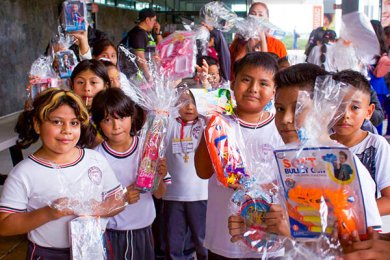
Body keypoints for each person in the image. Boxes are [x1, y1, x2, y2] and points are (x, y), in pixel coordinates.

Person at [0, 88, 123, 259]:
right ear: (37, 124)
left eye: (74, 123)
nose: (67, 130)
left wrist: (98, 209)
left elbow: (118, 200)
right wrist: (49, 212)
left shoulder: (95, 160)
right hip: (48, 253)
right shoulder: (23, 173)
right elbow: (5, 225)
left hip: (93, 246)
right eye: (57, 122)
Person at [195, 52, 287, 258]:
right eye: (246, 80)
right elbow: (202, 172)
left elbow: (288, 179)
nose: (253, 88)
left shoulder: (280, 126)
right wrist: (210, 124)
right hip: (224, 239)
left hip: (268, 239)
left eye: (263, 83)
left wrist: (258, 188)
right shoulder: (220, 122)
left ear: (274, 90)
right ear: (233, 82)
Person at [91, 87, 168, 259]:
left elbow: (160, 194)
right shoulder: (95, 158)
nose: (116, 126)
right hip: (112, 232)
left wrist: (159, 177)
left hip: (144, 230)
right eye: (107, 120)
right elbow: (92, 203)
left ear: (132, 117)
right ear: (98, 124)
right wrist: (123, 197)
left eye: (122, 117)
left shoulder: (148, 149)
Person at [331, 70, 390, 216]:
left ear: (369, 112)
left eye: (355, 107)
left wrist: (350, 213)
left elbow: (388, 200)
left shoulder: (376, 145)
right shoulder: (320, 146)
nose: (345, 115)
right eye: (338, 106)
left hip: (364, 231)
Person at [163, 88, 208, 260]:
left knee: (203, 242)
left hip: (201, 195)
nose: (189, 107)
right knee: (174, 244)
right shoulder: (169, 123)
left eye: (195, 102)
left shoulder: (205, 124)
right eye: (183, 101)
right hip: (172, 195)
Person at [229, 2, 287, 81]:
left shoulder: (277, 45)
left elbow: (283, 71)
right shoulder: (238, 42)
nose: (256, 18)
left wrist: (262, 37)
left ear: (267, 20)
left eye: (260, 15)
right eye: (253, 14)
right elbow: (233, 67)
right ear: (248, 18)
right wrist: (247, 39)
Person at [120, 8, 162, 81]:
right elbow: (140, 57)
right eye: (154, 20)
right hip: (139, 77)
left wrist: (158, 33)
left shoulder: (146, 33)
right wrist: (148, 77)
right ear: (147, 20)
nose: (155, 23)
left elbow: (161, 47)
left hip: (147, 74)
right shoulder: (138, 34)